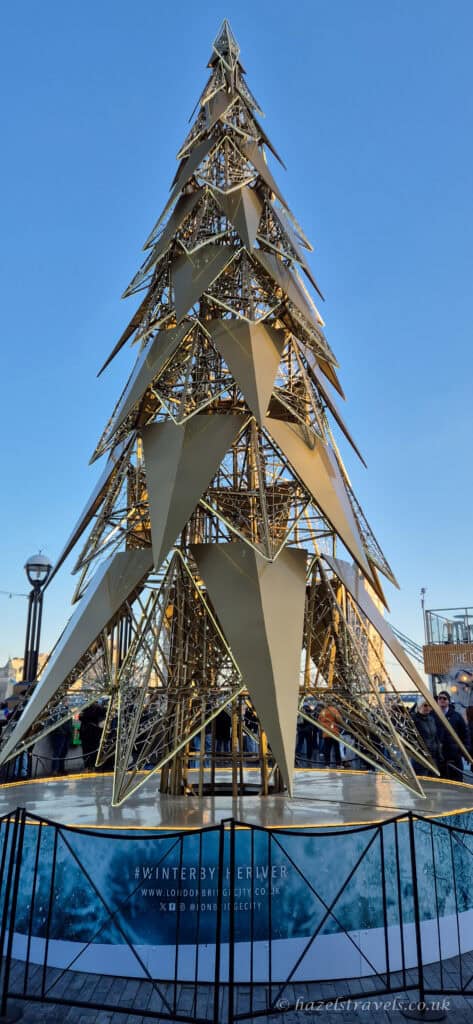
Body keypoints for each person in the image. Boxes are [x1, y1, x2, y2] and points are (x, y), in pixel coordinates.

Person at [435, 691, 468, 780]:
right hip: (439, 756)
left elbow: (464, 734)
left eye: (444, 698)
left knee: (456, 782)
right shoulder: (433, 716)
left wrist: (465, 751)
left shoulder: (456, 716)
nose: (442, 700)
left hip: (454, 755)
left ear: (448, 701)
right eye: (440, 698)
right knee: (441, 784)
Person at [411, 698, 441, 775]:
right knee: (424, 781)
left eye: (429, 706)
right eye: (425, 705)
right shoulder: (413, 720)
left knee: (432, 781)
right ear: (419, 706)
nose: (428, 708)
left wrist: (439, 751)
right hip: (421, 757)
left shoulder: (431, 719)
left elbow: (435, 736)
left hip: (433, 756)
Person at [79, 703, 104, 770]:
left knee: (87, 752)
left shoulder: (86, 708)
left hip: (88, 733)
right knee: (93, 751)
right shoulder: (99, 708)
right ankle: (92, 766)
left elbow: (80, 717)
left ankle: (88, 767)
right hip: (92, 733)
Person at [318, 704, 343, 768]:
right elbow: (339, 719)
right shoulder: (334, 710)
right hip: (334, 732)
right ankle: (338, 764)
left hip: (326, 733)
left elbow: (319, 721)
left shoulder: (323, 711)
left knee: (327, 749)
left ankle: (327, 764)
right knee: (336, 749)